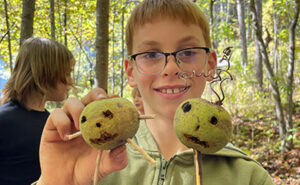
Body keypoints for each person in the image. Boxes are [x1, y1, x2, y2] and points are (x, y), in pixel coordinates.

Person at [34, 0, 275, 185]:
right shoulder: (95, 162)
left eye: (188, 52)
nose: (170, 68)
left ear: (210, 65)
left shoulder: (248, 176)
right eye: (151, 55)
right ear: (130, 71)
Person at [0, 37, 75, 185]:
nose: (71, 81)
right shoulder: (3, 121)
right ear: (46, 72)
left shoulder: (52, 124)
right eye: (66, 73)